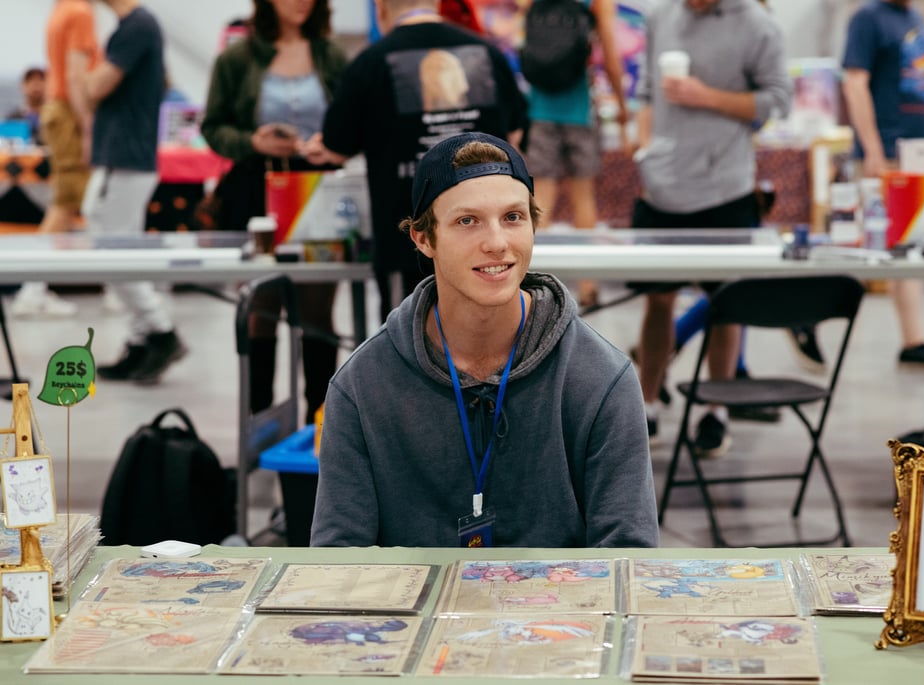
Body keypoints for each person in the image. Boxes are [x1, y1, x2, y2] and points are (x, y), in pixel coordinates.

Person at [311, 132, 659, 548]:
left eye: (513, 217)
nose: (496, 243)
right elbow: (340, 561)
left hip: (562, 613)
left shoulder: (602, 378)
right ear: (423, 238)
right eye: (467, 221)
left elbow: (627, 557)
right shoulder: (361, 388)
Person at [631, 0, 791, 448]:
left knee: (725, 305)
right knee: (657, 302)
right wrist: (645, 153)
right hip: (662, 188)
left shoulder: (757, 25)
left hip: (726, 189)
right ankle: (647, 405)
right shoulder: (661, 17)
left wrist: (707, 96)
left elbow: (778, 99)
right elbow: (646, 93)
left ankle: (715, 409)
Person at [321, 0, 528, 323]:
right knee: (491, 341)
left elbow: (335, 147)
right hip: (488, 240)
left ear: (381, 10)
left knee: (407, 348)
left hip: (404, 241)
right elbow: (514, 135)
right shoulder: (487, 53)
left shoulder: (370, 63)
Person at [200, 0, 348, 423]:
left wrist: (331, 142)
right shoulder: (237, 57)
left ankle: (320, 428)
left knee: (318, 311)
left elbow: (354, 122)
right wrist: (254, 142)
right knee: (261, 309)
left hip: (318, 190)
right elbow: (213, 127)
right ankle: (259, 422)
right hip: (256, 192)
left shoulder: (331, 55)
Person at [841, 0, 924, 368]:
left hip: (918, 152)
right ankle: (807, 314)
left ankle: (914, 340)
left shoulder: (913, 16)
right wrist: (874, 149)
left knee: (909, 245)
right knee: (868, 242)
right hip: (888, 152)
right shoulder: (868, 18)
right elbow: (855, 84)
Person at [84, 0, 185, 384]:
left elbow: (96, 86)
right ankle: (142, 337)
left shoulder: (138, 26)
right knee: (115, 243)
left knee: (109, 245)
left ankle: (159, 329)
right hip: (124, 154)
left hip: (126, 156)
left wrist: (78, 68)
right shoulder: (136, 27)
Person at [525, 0, 629, 308]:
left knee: (541, 198)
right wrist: (622, 105)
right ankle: (587, 286)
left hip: (540, 108)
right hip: (579, 108)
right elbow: (609, 53)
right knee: (583, 198)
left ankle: (533, 284)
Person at [11, 0, 99, 319]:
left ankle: (34, 288)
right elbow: (76, 76)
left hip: (59, 110)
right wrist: (88, 127)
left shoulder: (62, 10)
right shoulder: (78, 12)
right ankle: (32, 289)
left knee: (73, 202)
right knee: (67, 203)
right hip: (67, 112)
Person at [5, 67, 46, 145]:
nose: (36, 84)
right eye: (30, 80)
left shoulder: (54, 119)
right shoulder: (13, 118)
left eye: (41, 80)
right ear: (23, 86)